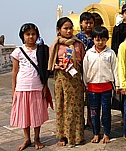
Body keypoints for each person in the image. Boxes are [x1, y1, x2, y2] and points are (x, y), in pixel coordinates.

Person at [10, 23, 50, 151]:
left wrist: (45, 86)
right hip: (22, 87)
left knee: (36, 114)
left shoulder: (41, 50)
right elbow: (14, 72)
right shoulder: (18, 51)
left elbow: (45, 71)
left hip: (37, 86)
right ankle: (27, 138)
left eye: (33, 34)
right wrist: (13, 89)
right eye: (28, 34)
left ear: (37, 35)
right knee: (25, 115)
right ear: (23, 36)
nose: (31, 37)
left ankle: (37, 138)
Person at [48, 17, 86, 147]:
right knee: (62, 106)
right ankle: (63, 136)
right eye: (65, 28)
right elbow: (50, 63)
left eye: (70, 28)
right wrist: (58, 66)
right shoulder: (55, 45)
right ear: (59, 30)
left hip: (75, 79)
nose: (69, 31)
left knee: (76, 107)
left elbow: (83, 62)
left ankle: (77, 136)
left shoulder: (78, 44)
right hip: (61, 79)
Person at [83, 26, 118, 144]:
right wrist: (85, 84)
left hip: (106, 88)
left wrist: (117, 85)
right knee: (94, 113)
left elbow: (115, 69)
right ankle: (96, 133)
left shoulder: (110, 53)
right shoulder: (89, 54)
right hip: (92, 88)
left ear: (107, 39)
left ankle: (107, 133)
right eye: (97, 39)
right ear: (93, 39)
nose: (100, 42)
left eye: (103, 39)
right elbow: (85, 70)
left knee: (106, 112)